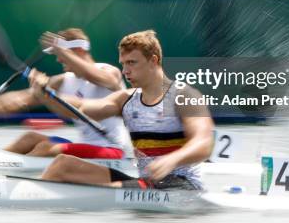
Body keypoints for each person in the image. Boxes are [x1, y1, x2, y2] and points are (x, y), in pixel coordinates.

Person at [30, 30, 214, 190]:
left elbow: (204, 143)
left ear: (153, 61)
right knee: (63, 164)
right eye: (123, 63)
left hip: (183, 185)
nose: (125, 71)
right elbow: (80, 109)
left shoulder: (184, 95)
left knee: (104, 190)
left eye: (132, 63)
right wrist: (46, 94)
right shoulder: (125, 99)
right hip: (147, 182)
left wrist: (172, 160)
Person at [0, 28, 130, 159]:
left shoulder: (109, 72)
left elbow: (95, 76)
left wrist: (62, 50)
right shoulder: (63, 80)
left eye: (60, 54)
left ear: (78, 51)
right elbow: (22, 99)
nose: (58, 59)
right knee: (30, 138)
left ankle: (16, 182)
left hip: (113, 150)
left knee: (46, 147)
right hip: (85, 147)